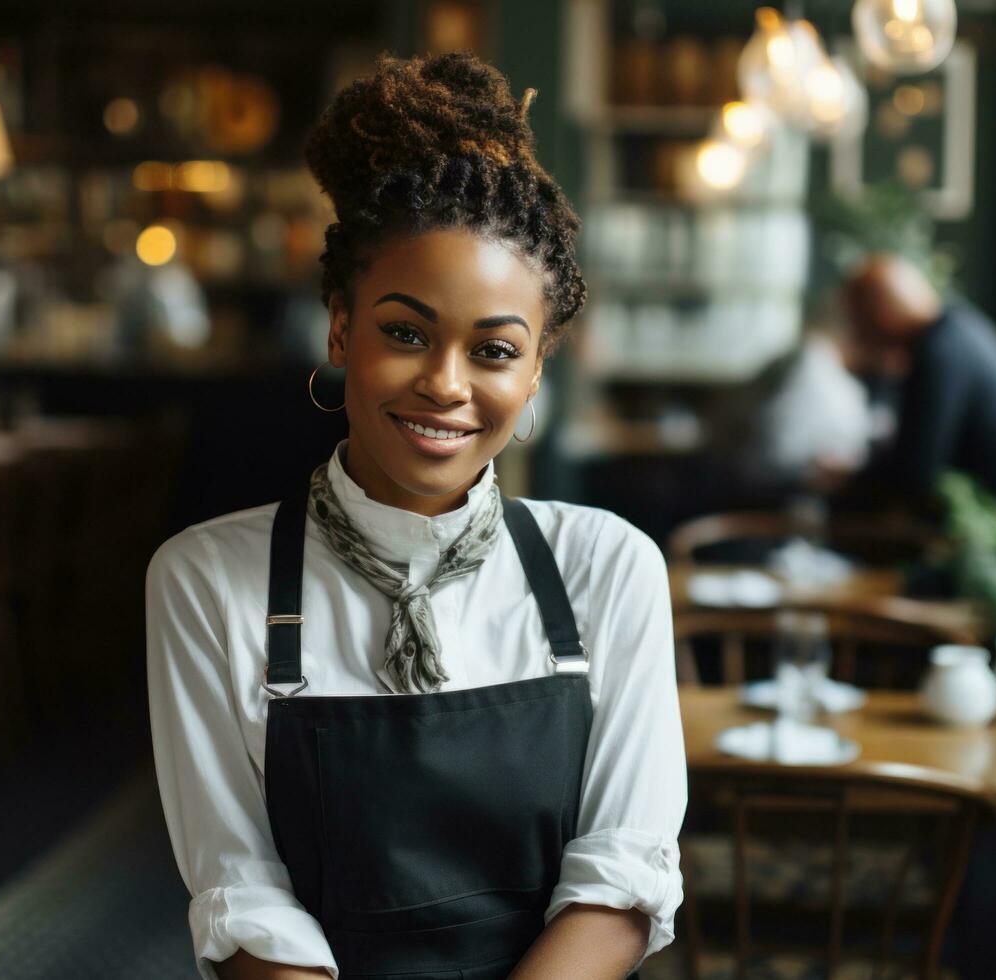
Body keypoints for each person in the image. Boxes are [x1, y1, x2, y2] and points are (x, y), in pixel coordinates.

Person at [146, 53, 685, 980]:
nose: (444, 383)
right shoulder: (205, 578)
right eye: (404, 332)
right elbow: (242, 894)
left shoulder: (609, 566)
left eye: (493, 350)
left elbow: (622, 882)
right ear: (340, 329)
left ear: (535, 372)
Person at [840, 253, 996, 517]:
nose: (860, 336)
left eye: (860, 321)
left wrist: (848, 483)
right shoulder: (962, 328)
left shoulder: (939, 353)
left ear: (881, 313)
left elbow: (915, 474)